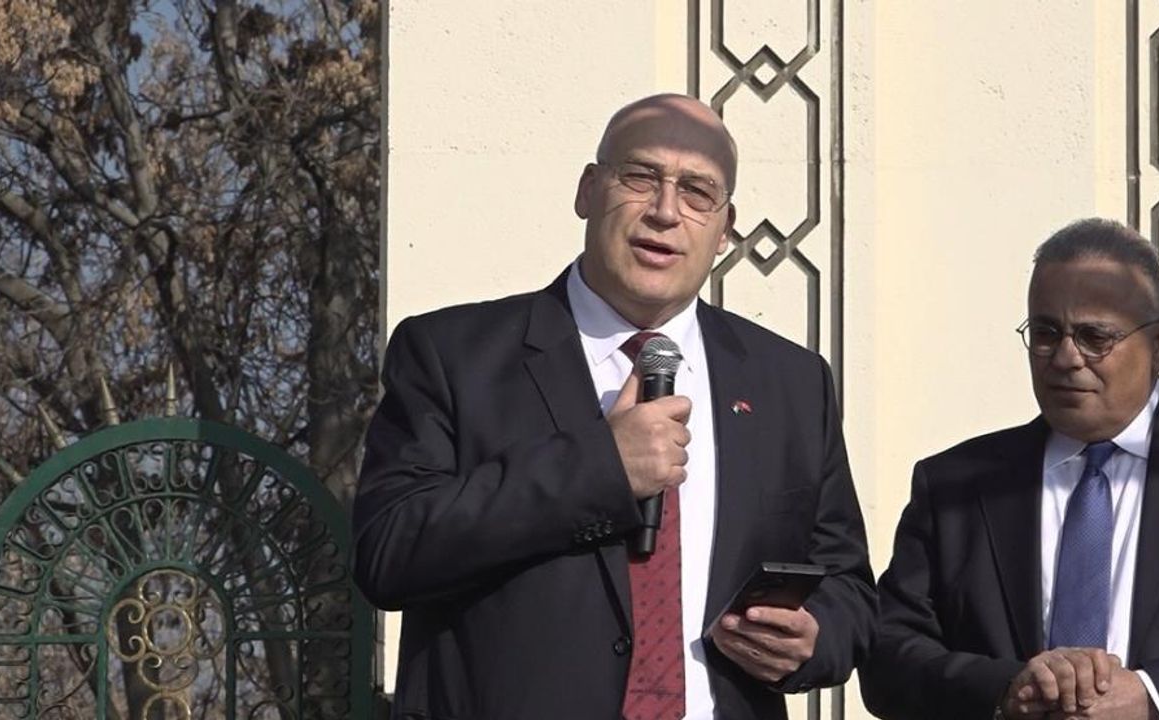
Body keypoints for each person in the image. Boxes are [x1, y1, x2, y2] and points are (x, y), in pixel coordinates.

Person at [353, 94, 876, 719]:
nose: (665, 212)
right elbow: (388, 553)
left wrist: (814, 638)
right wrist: (598, 468)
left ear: (725, 229)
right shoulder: (453, 355)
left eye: (697, 192)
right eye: (641, 177)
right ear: (587, 190)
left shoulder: (790, 382)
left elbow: (848, 588)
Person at [859, 218, 1159, 720]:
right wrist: (1005, 690)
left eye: (1095, 336)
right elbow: (887, 656)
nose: (1066, 358)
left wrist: (1154, 697)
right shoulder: (956, 486)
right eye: (1046, 333)